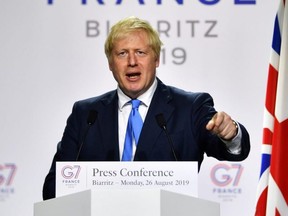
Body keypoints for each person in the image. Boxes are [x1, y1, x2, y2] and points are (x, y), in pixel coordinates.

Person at [42, 16, 250, 200]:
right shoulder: (86, 114)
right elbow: (53, 188)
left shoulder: (190, 107)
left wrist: (231, 135)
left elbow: (231, 150)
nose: (132, 62)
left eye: (141, 52)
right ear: (110, 63)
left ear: (157, 59)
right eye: (122, 53)